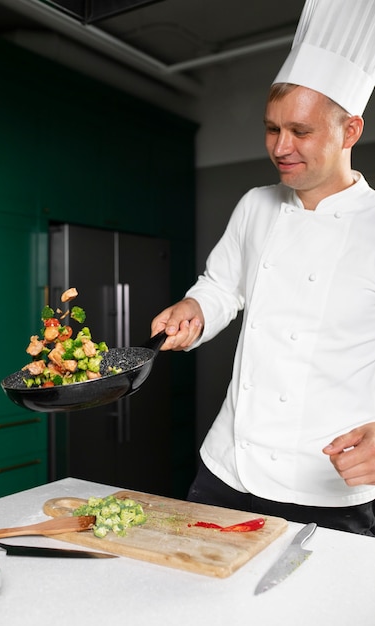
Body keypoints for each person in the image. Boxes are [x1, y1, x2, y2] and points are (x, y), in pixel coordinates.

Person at [151, 1, 375, 535]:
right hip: (228, 467)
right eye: (271, 129)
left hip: (334, 487)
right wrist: (195, 309)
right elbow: (222, 286)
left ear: (350, 131)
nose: (280, 147)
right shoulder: (256, 204)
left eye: (300, 131)